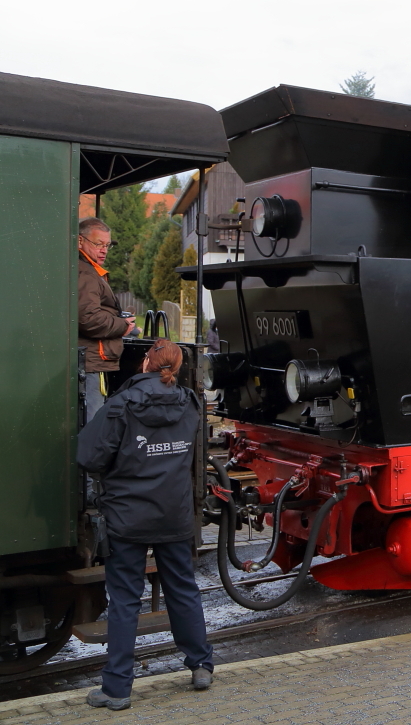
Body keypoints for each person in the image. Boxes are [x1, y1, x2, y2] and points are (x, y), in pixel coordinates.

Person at [77, 339, 213, 710]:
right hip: (174, 514)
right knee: (183, 589)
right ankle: (201, 665)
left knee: (124, 600)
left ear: (146, 363)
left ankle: (117, 689)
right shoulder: (190, 403)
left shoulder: (120, 405)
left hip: (128, 517)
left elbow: (88, 456)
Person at [78, 217, 136, 421]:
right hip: (91, 361)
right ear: (80, 241)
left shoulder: (89, 270)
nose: (104, 250)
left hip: (92, 360)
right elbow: (88, 318)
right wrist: (122, 325)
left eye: (107, 245)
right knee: (92, 423)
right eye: (98, 244)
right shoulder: (85, 273)